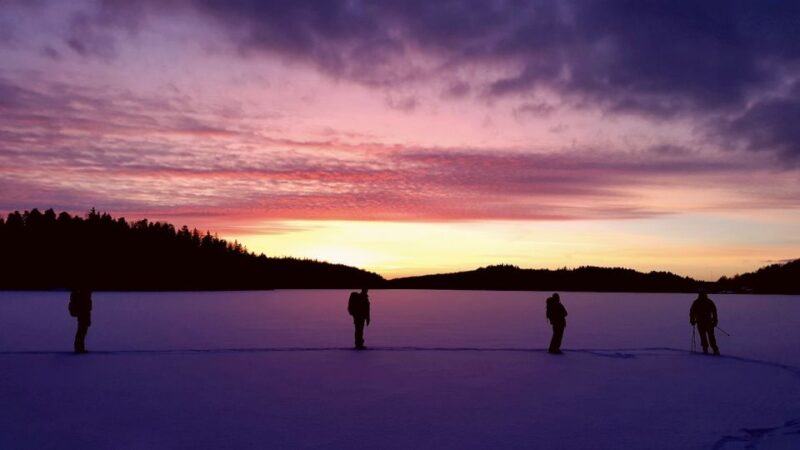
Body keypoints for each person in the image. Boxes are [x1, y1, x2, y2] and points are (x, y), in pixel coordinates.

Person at [690, 290, 720, 355]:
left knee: (709, 336)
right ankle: (708, 349)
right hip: (703, 322)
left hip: (707, 322)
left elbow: (714, 312)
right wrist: (692, 320)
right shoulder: (699, 302)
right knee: (705, 336)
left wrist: (715, 321)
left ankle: (713, 349)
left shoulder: (704, 302)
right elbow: (692, 312)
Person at [69, 287, 92, 353]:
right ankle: (79, 348)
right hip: (83, 310)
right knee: (82, 329)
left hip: (84, 310)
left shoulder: (82, 291)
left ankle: (79, 347)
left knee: (83, 329)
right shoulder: (81, 291)